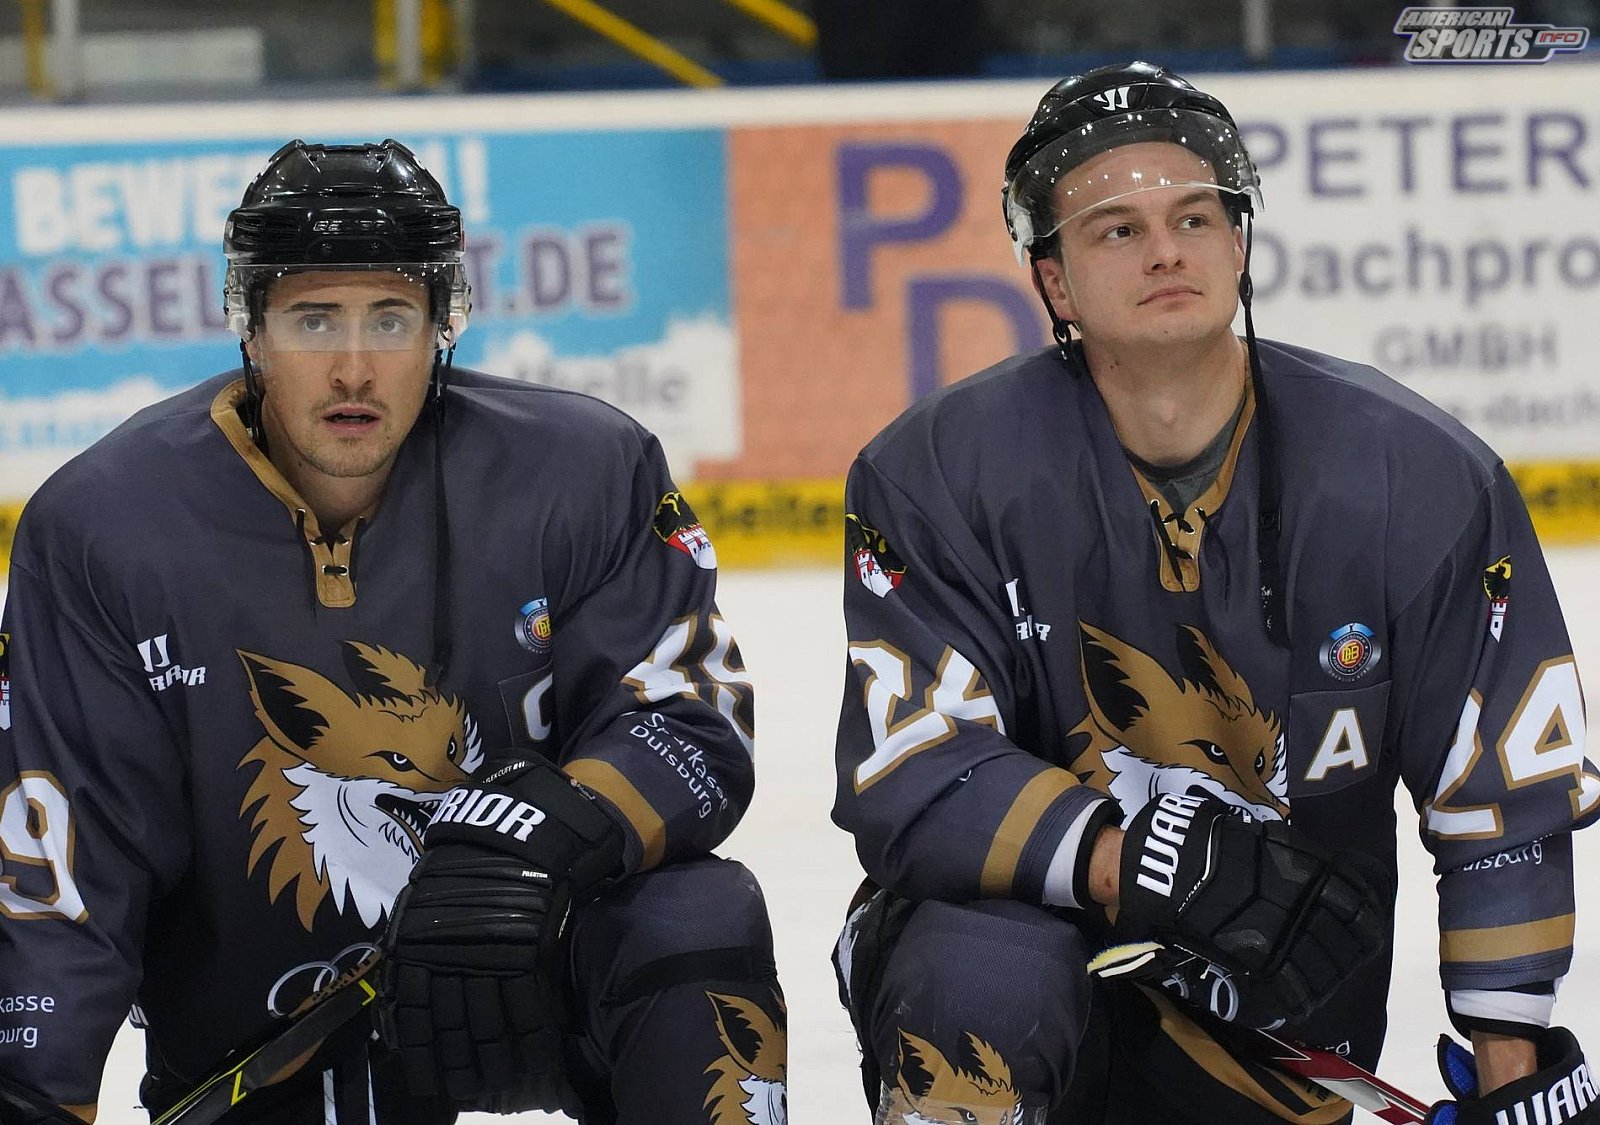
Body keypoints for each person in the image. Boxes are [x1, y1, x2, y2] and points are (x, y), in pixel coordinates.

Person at [830, 61, 1599, 1125]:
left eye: (1194, 217)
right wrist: (1123, 859)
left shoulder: (1414, 476)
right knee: (978, 985)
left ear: (1238, 244)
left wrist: (1511, 1060)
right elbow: (913, 763)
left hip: (1275, 998)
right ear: (1053, 281)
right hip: (1004, 948)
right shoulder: (935, 471)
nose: (1165, 250)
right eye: (1116, 229)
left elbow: (1499, 788)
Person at [0, 139, 787, 1125]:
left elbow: (693, 722)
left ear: (441, 325)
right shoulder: (104, 530)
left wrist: (537, 834)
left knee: (698, 921)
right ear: (251, 329)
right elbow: (60, 871)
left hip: (531, 964)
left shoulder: (582, 471)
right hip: (265, 1035)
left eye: (390, 317)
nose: (354, 368)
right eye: (313, 320)